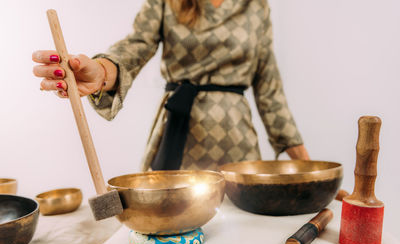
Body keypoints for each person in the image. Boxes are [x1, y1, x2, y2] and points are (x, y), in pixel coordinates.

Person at [32, 0, 310, 172]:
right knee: (169, 221)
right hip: (179, 129)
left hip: (237, 142)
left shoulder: (256, 5)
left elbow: (269, 88)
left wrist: (309, 170)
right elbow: (137, 45)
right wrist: (103, 70)